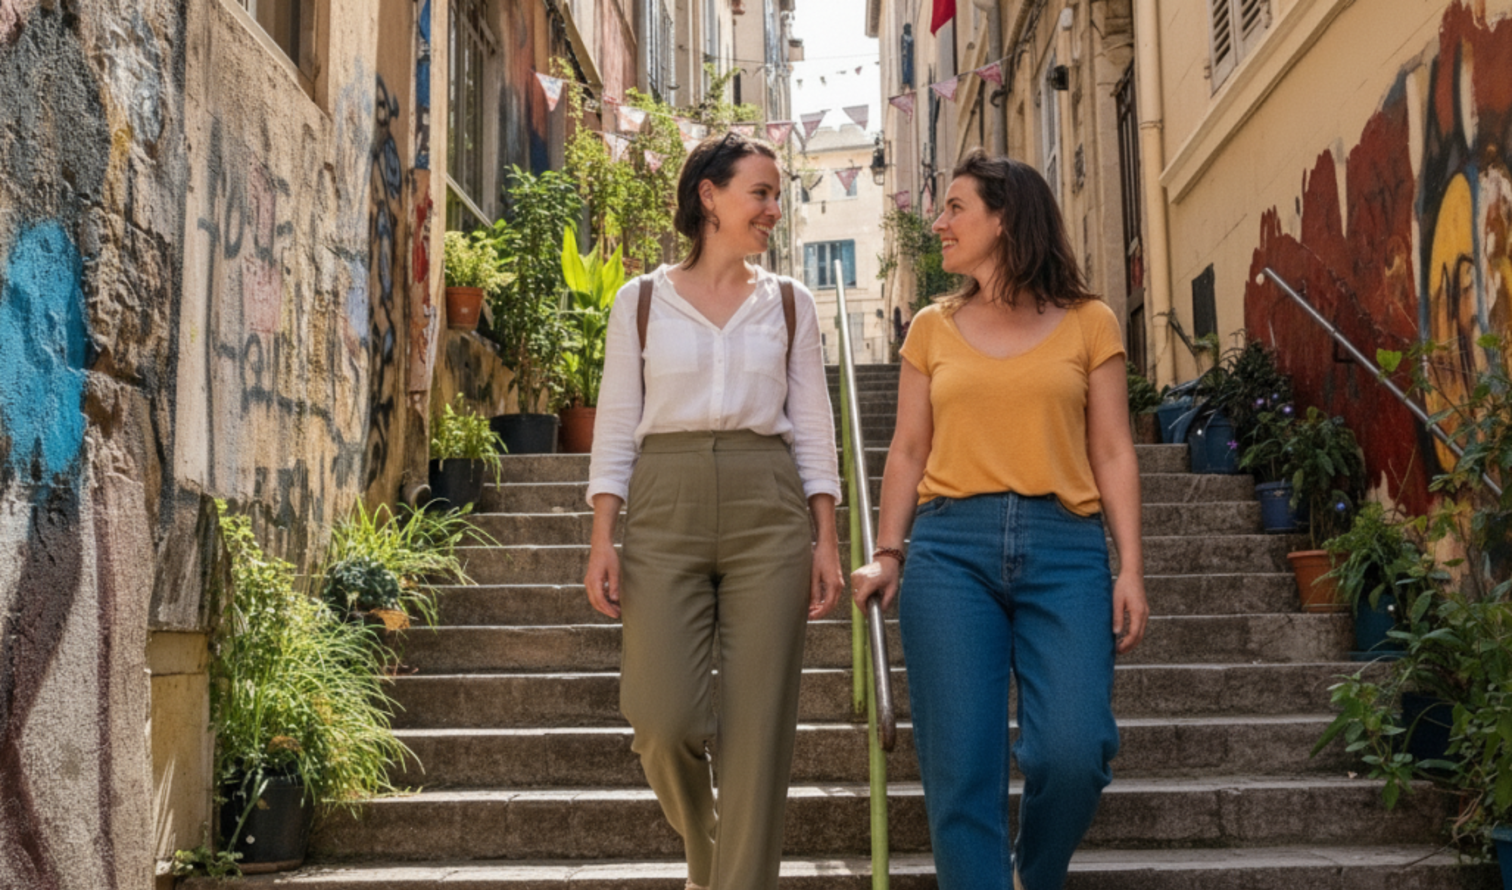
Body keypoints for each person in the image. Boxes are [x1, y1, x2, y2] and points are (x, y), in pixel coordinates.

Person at [850, 149, 1149, 890]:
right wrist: (889, 553)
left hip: (1066, 548)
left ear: (1005, 217)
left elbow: (1112, 450)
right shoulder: (931, 327)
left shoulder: (1089, 322)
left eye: (955, 207)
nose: (939, 222)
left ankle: (1032, 876)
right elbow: (908, 448)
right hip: (950, 552)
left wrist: (1131, 567)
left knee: (1074, 753)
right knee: (961, 771)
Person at [583, 131, 846, 890]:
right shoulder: (640, 302)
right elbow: (615, 421)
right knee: (660, 720)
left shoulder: (791, 305)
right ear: (710, 196)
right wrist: (605, 533)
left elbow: (815, 425)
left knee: (760, 731)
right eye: (760, 192)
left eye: (775, 194)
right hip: (664, 505)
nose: (773, 208)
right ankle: (705, 846)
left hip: (768, 506)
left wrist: (825, 535)